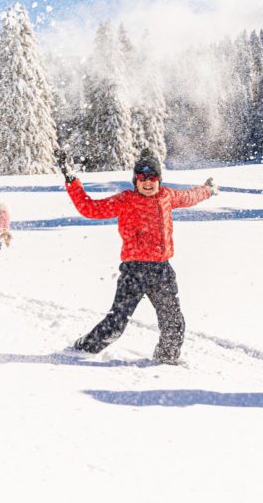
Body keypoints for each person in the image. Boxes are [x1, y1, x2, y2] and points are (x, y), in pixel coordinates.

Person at [56, 148, 218, 365]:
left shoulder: (168, 196)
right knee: (116, 325)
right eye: (142, 178)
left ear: (159, 179)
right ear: (135, 181)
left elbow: (190, 196)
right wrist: (71, 179)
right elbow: (89, 209)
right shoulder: (126, 200)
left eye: (152, 178)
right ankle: (83, 348)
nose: (147, 183)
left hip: (162, 271)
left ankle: (166, 361)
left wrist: (206, 190)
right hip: (134, 272)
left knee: (174, 323)